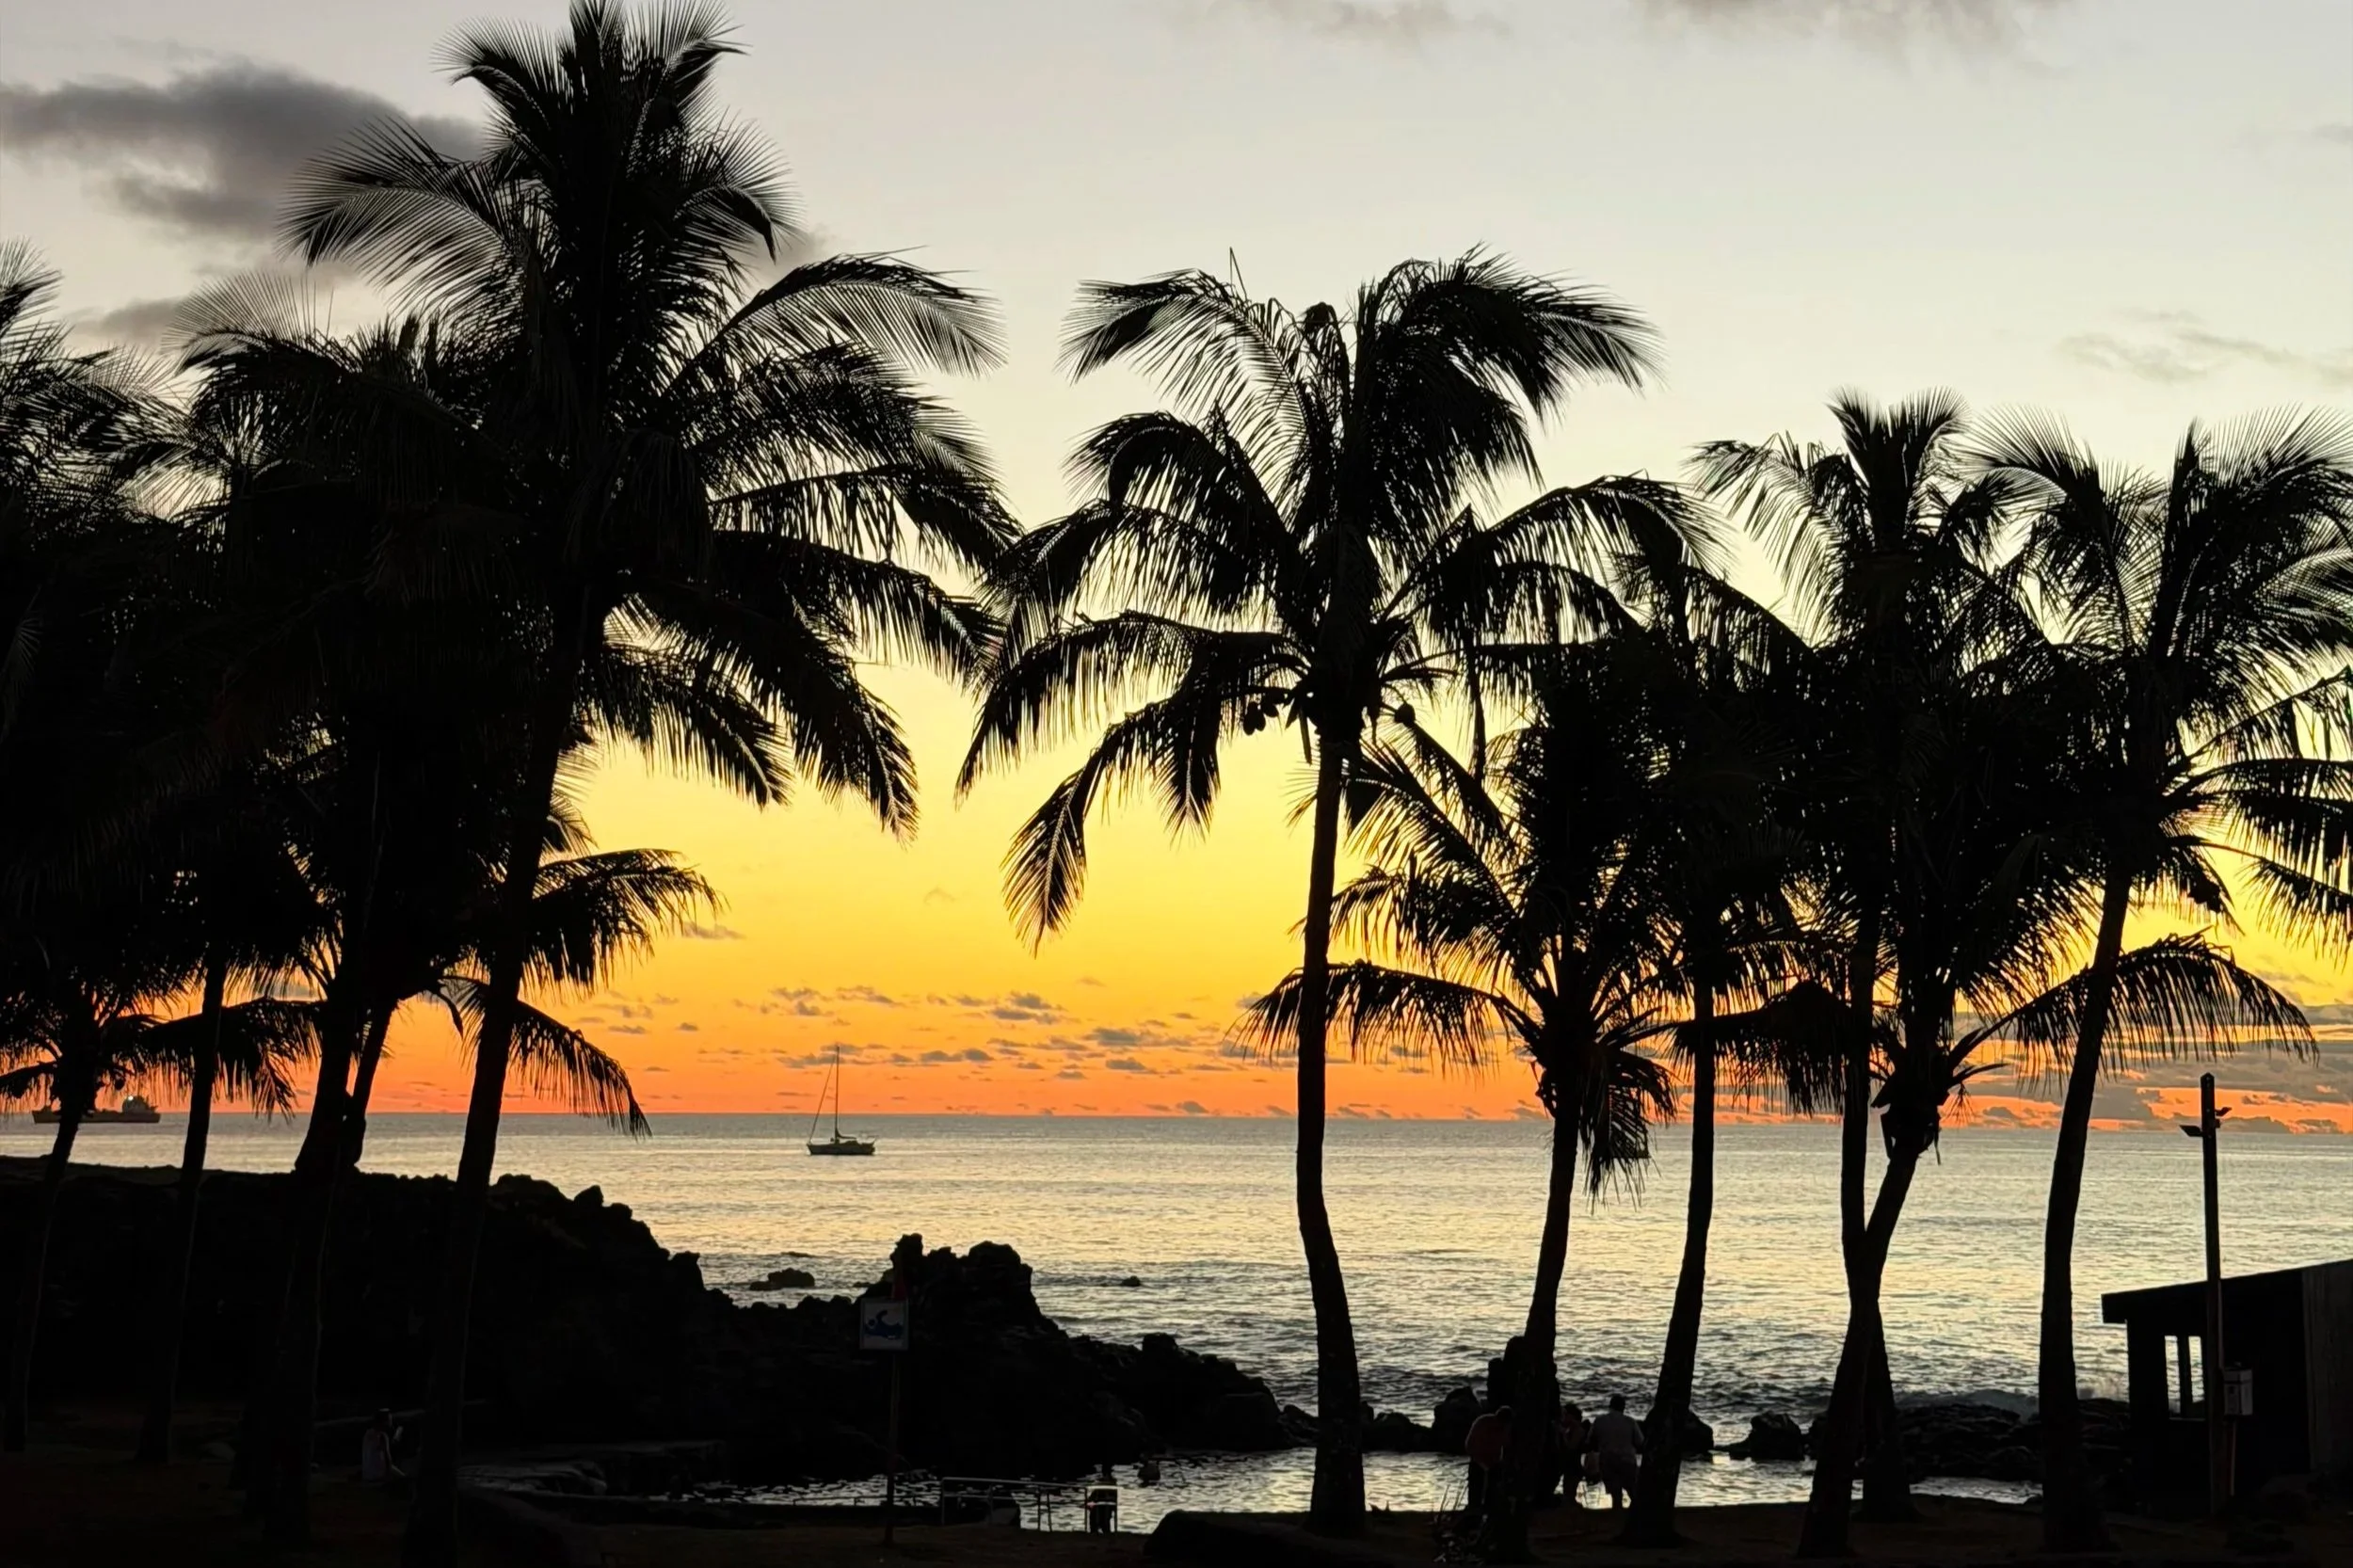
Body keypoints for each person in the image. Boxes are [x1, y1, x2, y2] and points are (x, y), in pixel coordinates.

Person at [1588, 1393, 1644, 1510]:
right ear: (1623, 1407)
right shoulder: (1630, 1422)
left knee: (1616, 1493)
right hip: (1627, 1459)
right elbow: (1640, 1442)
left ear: (1610, 1406)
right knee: (1633, 1492)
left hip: (1607, 1459)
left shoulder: (1599, 1421)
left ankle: (1617, 1514)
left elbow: (1589, 1440)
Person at [1463, 1403, 1511, 1517]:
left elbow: (1507, 1445)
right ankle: (1474, 1511)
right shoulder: (1482, 1423)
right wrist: (1481, 1462)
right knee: (1476, 1488)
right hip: (1478, 1460)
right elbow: (1469, 1445)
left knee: (1495, 1486)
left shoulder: (1505, 1428)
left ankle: (1491, 1508)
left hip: (1494, 1462)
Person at [1557, 1402, 1590, 1506]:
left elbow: (1572, 1446)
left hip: (1574, 1467)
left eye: (1566, 1415)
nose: (1564, 1418)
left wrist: (1563, 1435)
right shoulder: (1573, 1429)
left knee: (1569, 1491)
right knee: (1568, 1490)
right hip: (1571, 1466)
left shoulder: (1578, 1430)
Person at [360, 1408, 401, 1483]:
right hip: (378, 1476)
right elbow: (388, 1460)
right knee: (403, 1479)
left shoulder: (368, 1434)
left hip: (367, 1476)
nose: (391, 1423)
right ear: (384, 1422)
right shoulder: (383, 1436)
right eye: (389, 1420)